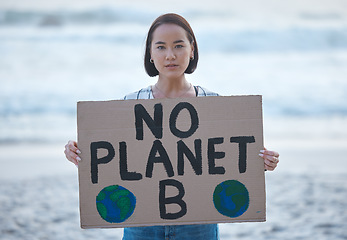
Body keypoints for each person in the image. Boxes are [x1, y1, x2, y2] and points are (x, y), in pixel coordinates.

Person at [64, 13, 280, 240]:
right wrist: (78, 152)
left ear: (192, 49)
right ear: (150, 53)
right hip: (141, 225)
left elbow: (231, 159)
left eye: (178, 46)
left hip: (199, 225)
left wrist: (263, 162)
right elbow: (113, 162)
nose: (170, 55)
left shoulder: (214, 105)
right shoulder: (130, 104)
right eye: (161, 47)